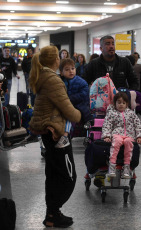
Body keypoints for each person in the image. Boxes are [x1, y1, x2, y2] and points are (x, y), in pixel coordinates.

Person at [28, 45, 81, 228]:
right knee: (68, 176)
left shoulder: (42, 76)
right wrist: (80, 115)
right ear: (56, 60)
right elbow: (68, 109)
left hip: (47, 132)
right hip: (56, 133)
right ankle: (54, 211)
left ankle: (52, 214)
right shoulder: (52, 79)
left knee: (53, 175)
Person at [102, 92, 141, 178]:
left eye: (123, 103)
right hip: (117, 134)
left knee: (129, 143)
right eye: (119, 102)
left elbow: (138, 125)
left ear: (127, 104)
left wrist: (139, 136)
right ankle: (112, 165)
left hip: (129, 135)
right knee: (116, 142)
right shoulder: (111, 113)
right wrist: (106, 135)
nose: (121, 105)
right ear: (115, 103)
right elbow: (107, 125)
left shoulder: (131, 114)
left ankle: (126, 166)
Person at [58, 58, 93, 148]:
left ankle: (66, 136)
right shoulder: (59, 81)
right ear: (61, 72)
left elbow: (83, 95)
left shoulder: (81, 82)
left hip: (80, 107)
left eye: (73, 68)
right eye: (67, 69)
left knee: (70, 117)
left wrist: (68, 99)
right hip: (66, 106)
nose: (71, 71)